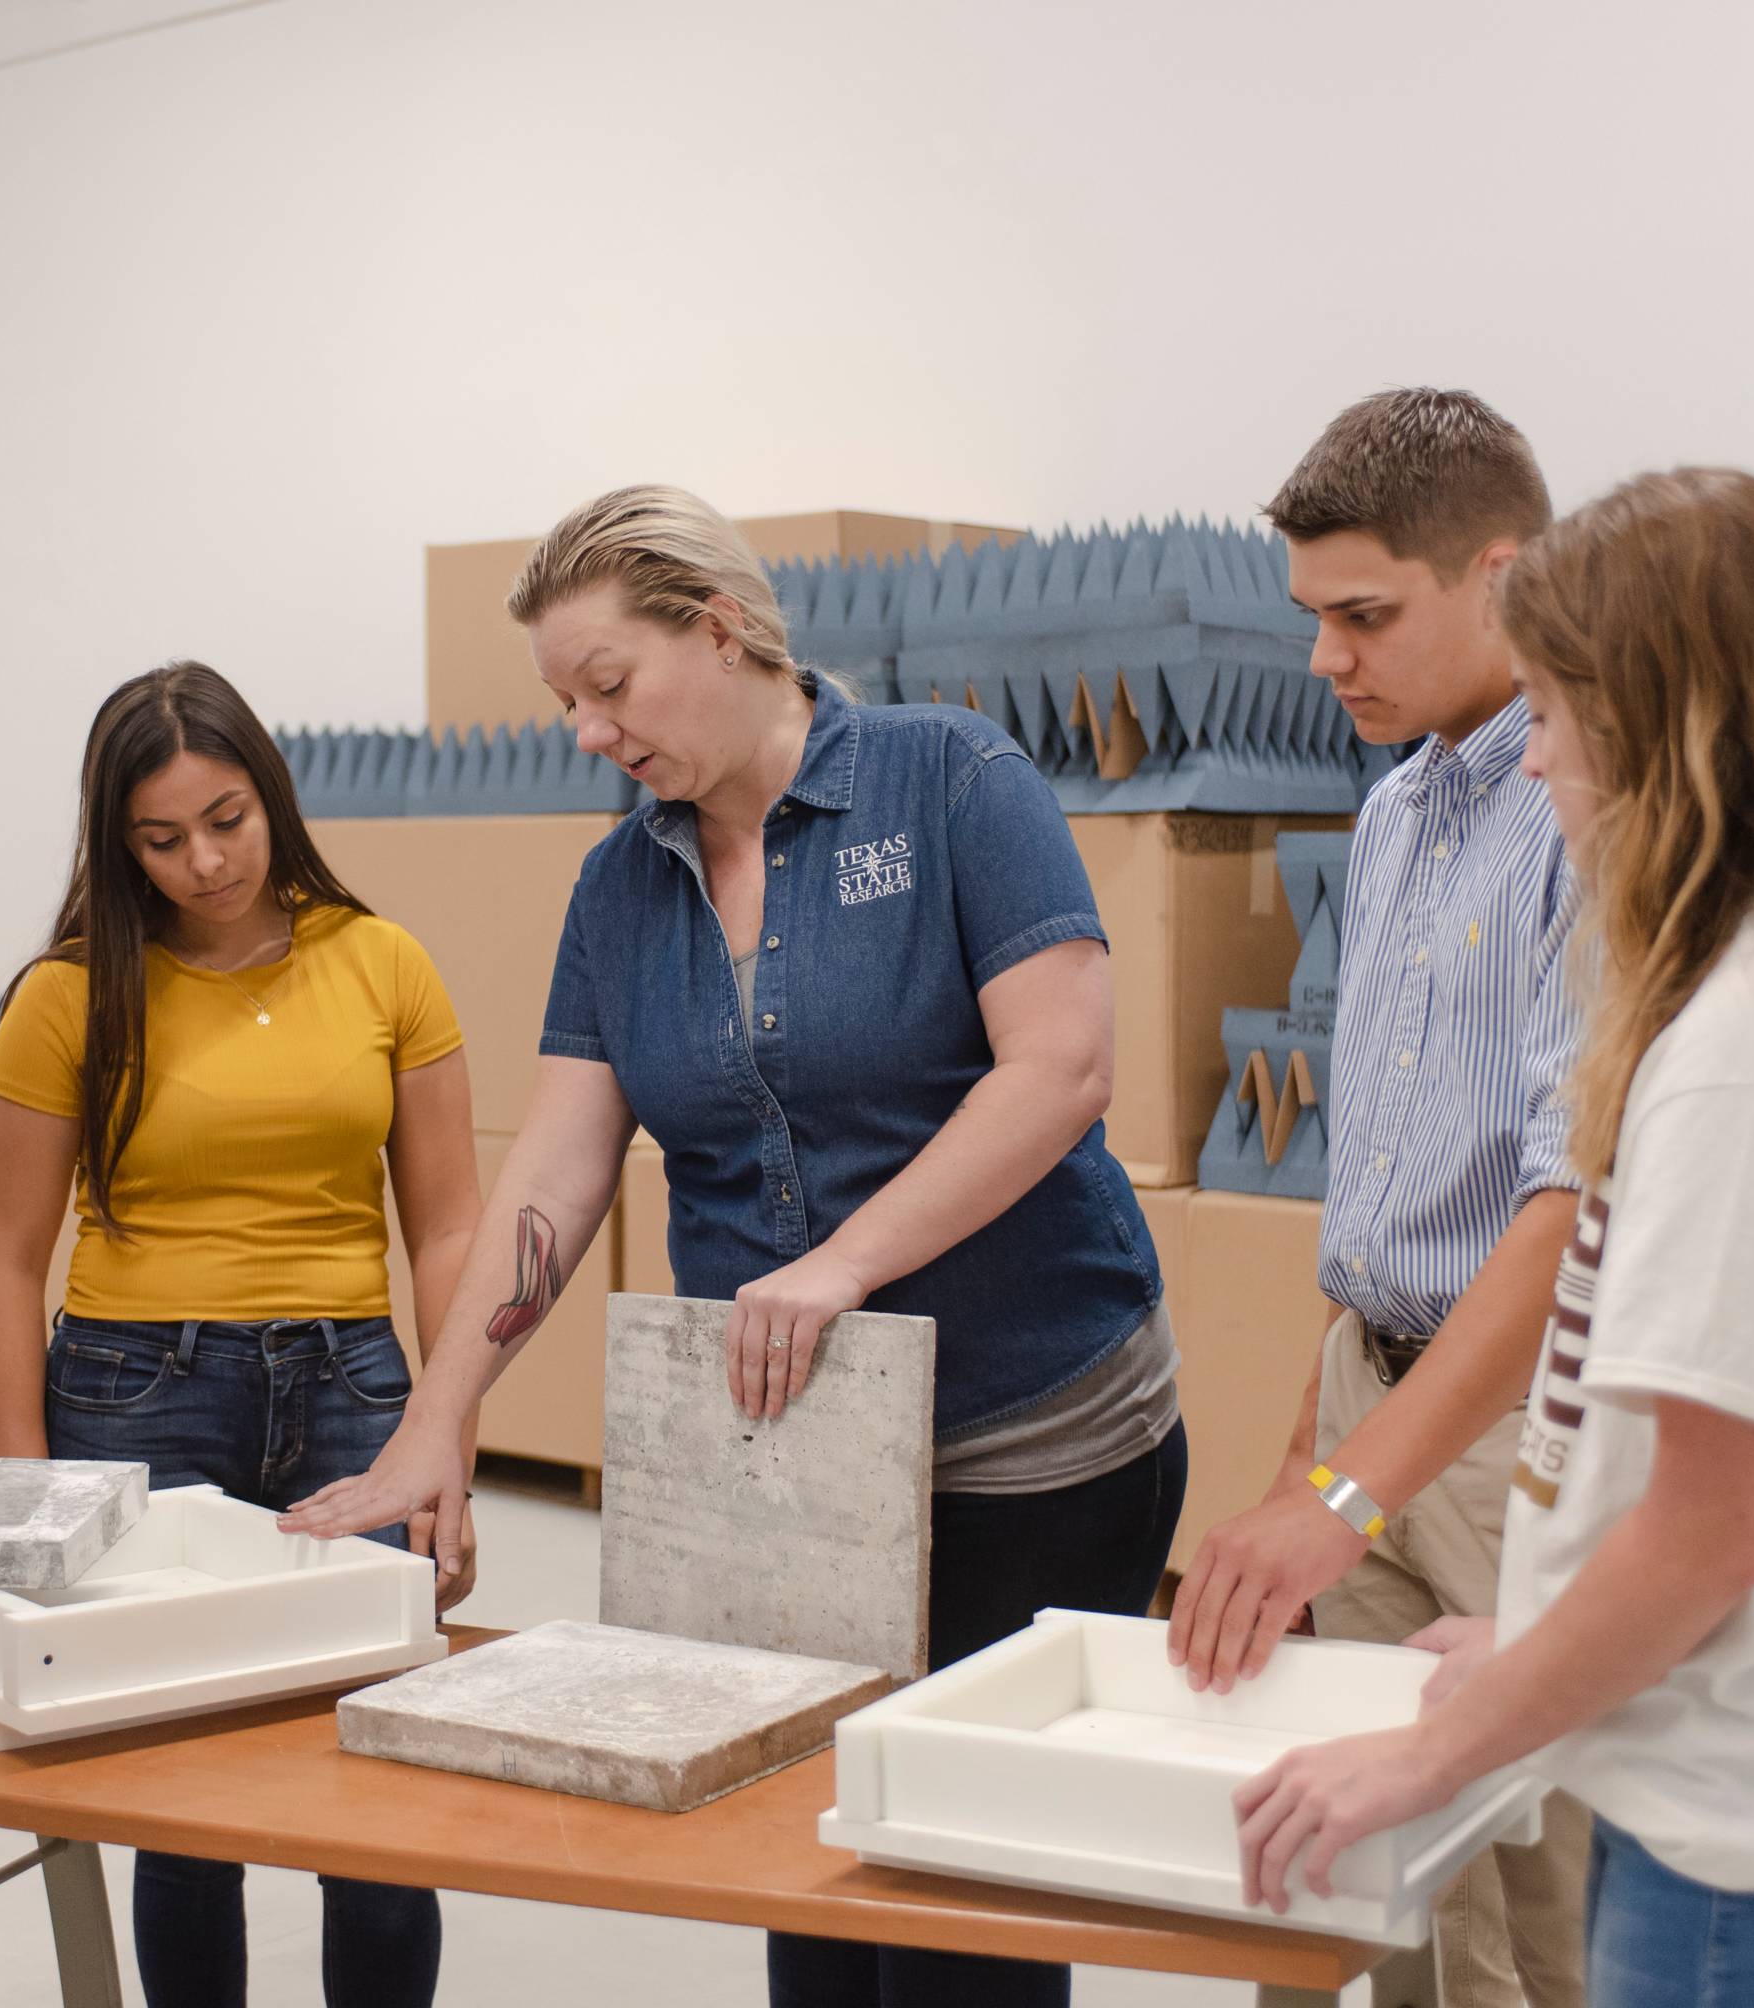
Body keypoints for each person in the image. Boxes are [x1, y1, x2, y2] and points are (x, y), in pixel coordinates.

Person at [283, 484, 1184, 2008]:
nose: (589, 730)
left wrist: (843, 1262)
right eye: (565, 701)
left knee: (961, 1910)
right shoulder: (622, 886)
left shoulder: (951, 780)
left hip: (1036, 1435)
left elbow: (1061, 1071)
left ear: (725, 629)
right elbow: (557, 1181)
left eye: (610, 686)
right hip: (796, 1461)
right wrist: (441, 1422)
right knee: (801, 1864)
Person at [1236, 467, 1754, 2008]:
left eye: (1544, 712)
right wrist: (1530, 1641)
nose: (1532, 763)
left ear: (1655, 729)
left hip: (1749, 1850)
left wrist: (1435, 1751)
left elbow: (1710, 1531)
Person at [1164, 388, 1592, 2007]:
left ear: (1501, 574)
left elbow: (1568, 1209)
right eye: (1312, 621)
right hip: (1381, 1387)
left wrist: (1344, 1497)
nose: (1329, 660)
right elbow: (1384, 1182)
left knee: (1534, 1913)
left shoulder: (1581, 810)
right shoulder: (1399, 804)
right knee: (1368, 1893)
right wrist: (1307, 1457)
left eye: (1366, 616)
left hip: (1521, 1435)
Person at [0, 659, 478, 2007]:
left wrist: (449, 1443)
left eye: (228, 820)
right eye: (162, 837)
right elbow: (5, 1261)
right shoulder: (70, 996)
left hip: (355, 1386)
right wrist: (28, 1500)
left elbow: (447, 1232)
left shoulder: (382, 962)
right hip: (137, 1396)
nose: (203, 861)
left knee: (377, 1780)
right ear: (116, 843)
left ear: (274, 800)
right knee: (181, 1798)